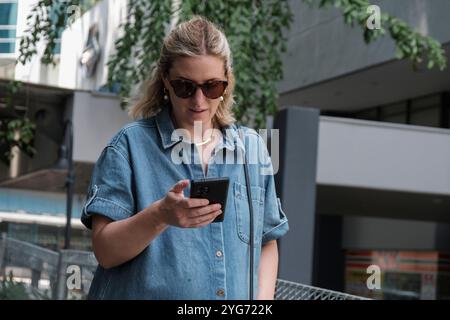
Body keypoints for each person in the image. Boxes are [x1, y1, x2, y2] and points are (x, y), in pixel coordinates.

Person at [81, 16, 289, 300]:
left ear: (227, 81)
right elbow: (105, 252)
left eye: (212, 86)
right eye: (185, 87)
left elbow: (267, 241)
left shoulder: (251, 149)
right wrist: (159, 216)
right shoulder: (128, 147)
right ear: (166, 80)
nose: (199, 101)